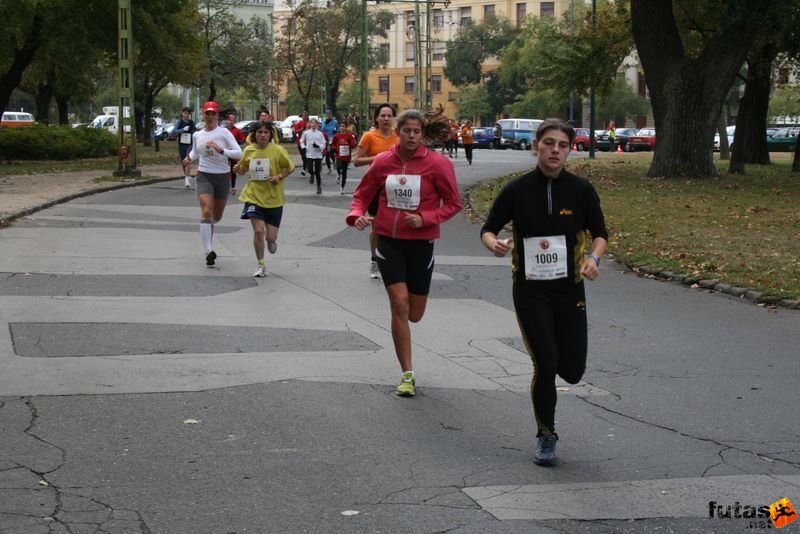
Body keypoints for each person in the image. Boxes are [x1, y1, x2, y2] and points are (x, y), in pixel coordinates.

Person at [479, 118, 608, 467]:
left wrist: (593, 258)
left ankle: (552, 411)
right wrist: (495, 244)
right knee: (546, 362)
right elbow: (488, 229)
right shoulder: (517, 190)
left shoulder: (581, 190)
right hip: (530, 291)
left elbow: (600, 234)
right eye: (548, 143)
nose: (554, 150)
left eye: (561, 145)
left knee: (573, 371)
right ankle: (546, 435)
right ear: (537, 145)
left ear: (570, 149)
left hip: (570, 291)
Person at [347, 108, 462, 397]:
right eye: (407, 131)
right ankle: (407, 373)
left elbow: (453, 203)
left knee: (415, 314)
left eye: (417, 131)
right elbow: (362, 194)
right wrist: (357, 215)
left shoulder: (437, 165)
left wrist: (426, 218)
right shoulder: (384, 161)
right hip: (389, 240)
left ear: (423, 134)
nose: (411, 136)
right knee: (399, 304)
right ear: (399, 132)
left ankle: (408, 351)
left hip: (421, 243)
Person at [183, 101, 243, 267]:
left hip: (222, 177)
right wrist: (189, 158)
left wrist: (221, 150)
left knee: (216, 216)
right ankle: (209, 251)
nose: (209, 116)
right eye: (207, 113)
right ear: (203, 114)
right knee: (206, 211)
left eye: (212, 113)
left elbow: (239, 153)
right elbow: (196, 151)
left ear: (217, 116)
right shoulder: (197, 135)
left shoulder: (223, 133)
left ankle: (208, 228)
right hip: (204, 176)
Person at [233, 121, 295, 277]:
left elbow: (290, 167)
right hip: (253, 195)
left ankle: (271, 241)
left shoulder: (278, 150)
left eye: (266, 132)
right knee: (259, 231)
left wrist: (279, 177)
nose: (262, 135)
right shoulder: (249, 150)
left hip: (274, 198)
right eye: (259, 132)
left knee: (270, 236)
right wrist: (237, 169)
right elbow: (242, 169)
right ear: (255, 134)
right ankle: (260, 264)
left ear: (270, 135)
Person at [353, 103, 399, 279]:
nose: (386, 119)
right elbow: (357, 161)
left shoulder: (399, 136)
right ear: (377, 118)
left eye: (389, 116)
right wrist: (378, 158)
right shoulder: (369, 137)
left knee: (396, 225)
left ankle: (393, 259)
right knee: (378, 227)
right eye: (383, 115)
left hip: (396, 186)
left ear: (394, 118)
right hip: (376, 186)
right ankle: (375, 261)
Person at [300, 117, 326, 194]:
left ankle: (319, 186)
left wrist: (319, 146)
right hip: (309, 154)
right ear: (310, 124)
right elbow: (301, 141)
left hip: (318, 154)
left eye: (315, 123)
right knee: (310, 169)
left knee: (317, 171)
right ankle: (312, 175)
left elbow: (323, 143)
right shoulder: (306, 133)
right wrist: (304, 147)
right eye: (312, 123)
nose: (313, 124)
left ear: (317, 125)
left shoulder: (320, 134)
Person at [330, 121, 357, 194]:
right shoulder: (336, 136)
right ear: (339, 127)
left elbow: (354, 145)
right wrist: (334, 148)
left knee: (344, 172)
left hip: (347, 156)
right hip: (339, 155)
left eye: (344, 126)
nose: (342, 128)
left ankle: (342, 187)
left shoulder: (349, 136)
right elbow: (333, 144)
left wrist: (352, 143)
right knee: (338, 166)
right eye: (341, 126)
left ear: (346, 127)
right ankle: (338, 174)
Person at [175, 107, 197, 188]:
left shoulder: (191, 122)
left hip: (190, 144)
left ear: (189, 115)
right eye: (184, 113)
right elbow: (174, 131)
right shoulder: (179, 122)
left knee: (187, 159)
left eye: (187, 113)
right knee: (183, 161)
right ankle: (187, 176)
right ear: (182, 114)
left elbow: (195, 131)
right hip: (182, 144)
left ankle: (187, 180)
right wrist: (182, 129)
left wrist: (194, 132)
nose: (186, 115)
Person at [225, 112, 246, 195]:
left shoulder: (237, 131)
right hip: (225, 153)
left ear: (234, 121)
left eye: (232, 120)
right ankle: (226, 186)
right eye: (229, 120)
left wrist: (237, 142)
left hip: (233, 153)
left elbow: (242, 140)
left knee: (233, 170)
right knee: (225, 171)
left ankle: (233, 187)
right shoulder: (224, 130)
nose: (230, 121)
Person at [321, 110, 339, 174]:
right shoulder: (323, 121)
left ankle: (334, 162)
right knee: (327, 155)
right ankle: (329, 169)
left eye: (329, 114)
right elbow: (322, 129)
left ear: (331, 115)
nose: (328, 116)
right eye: (327, 114)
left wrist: (336, 131)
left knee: (331, 152)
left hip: (332, 139)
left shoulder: (335, 122)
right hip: (325, 139)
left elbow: (338, 129)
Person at [292, 111, 309, 176]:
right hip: (300, 142)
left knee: (305, 155)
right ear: (301, 116)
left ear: (307, 116)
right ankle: (306, 166)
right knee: (303, 156)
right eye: (303, 116)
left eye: (305, 115)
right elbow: (294, 131)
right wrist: (301, 129)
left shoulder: (310, 123)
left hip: (308, 143)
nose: (304, 117)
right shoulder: (300, 123)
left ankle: (304, 169)